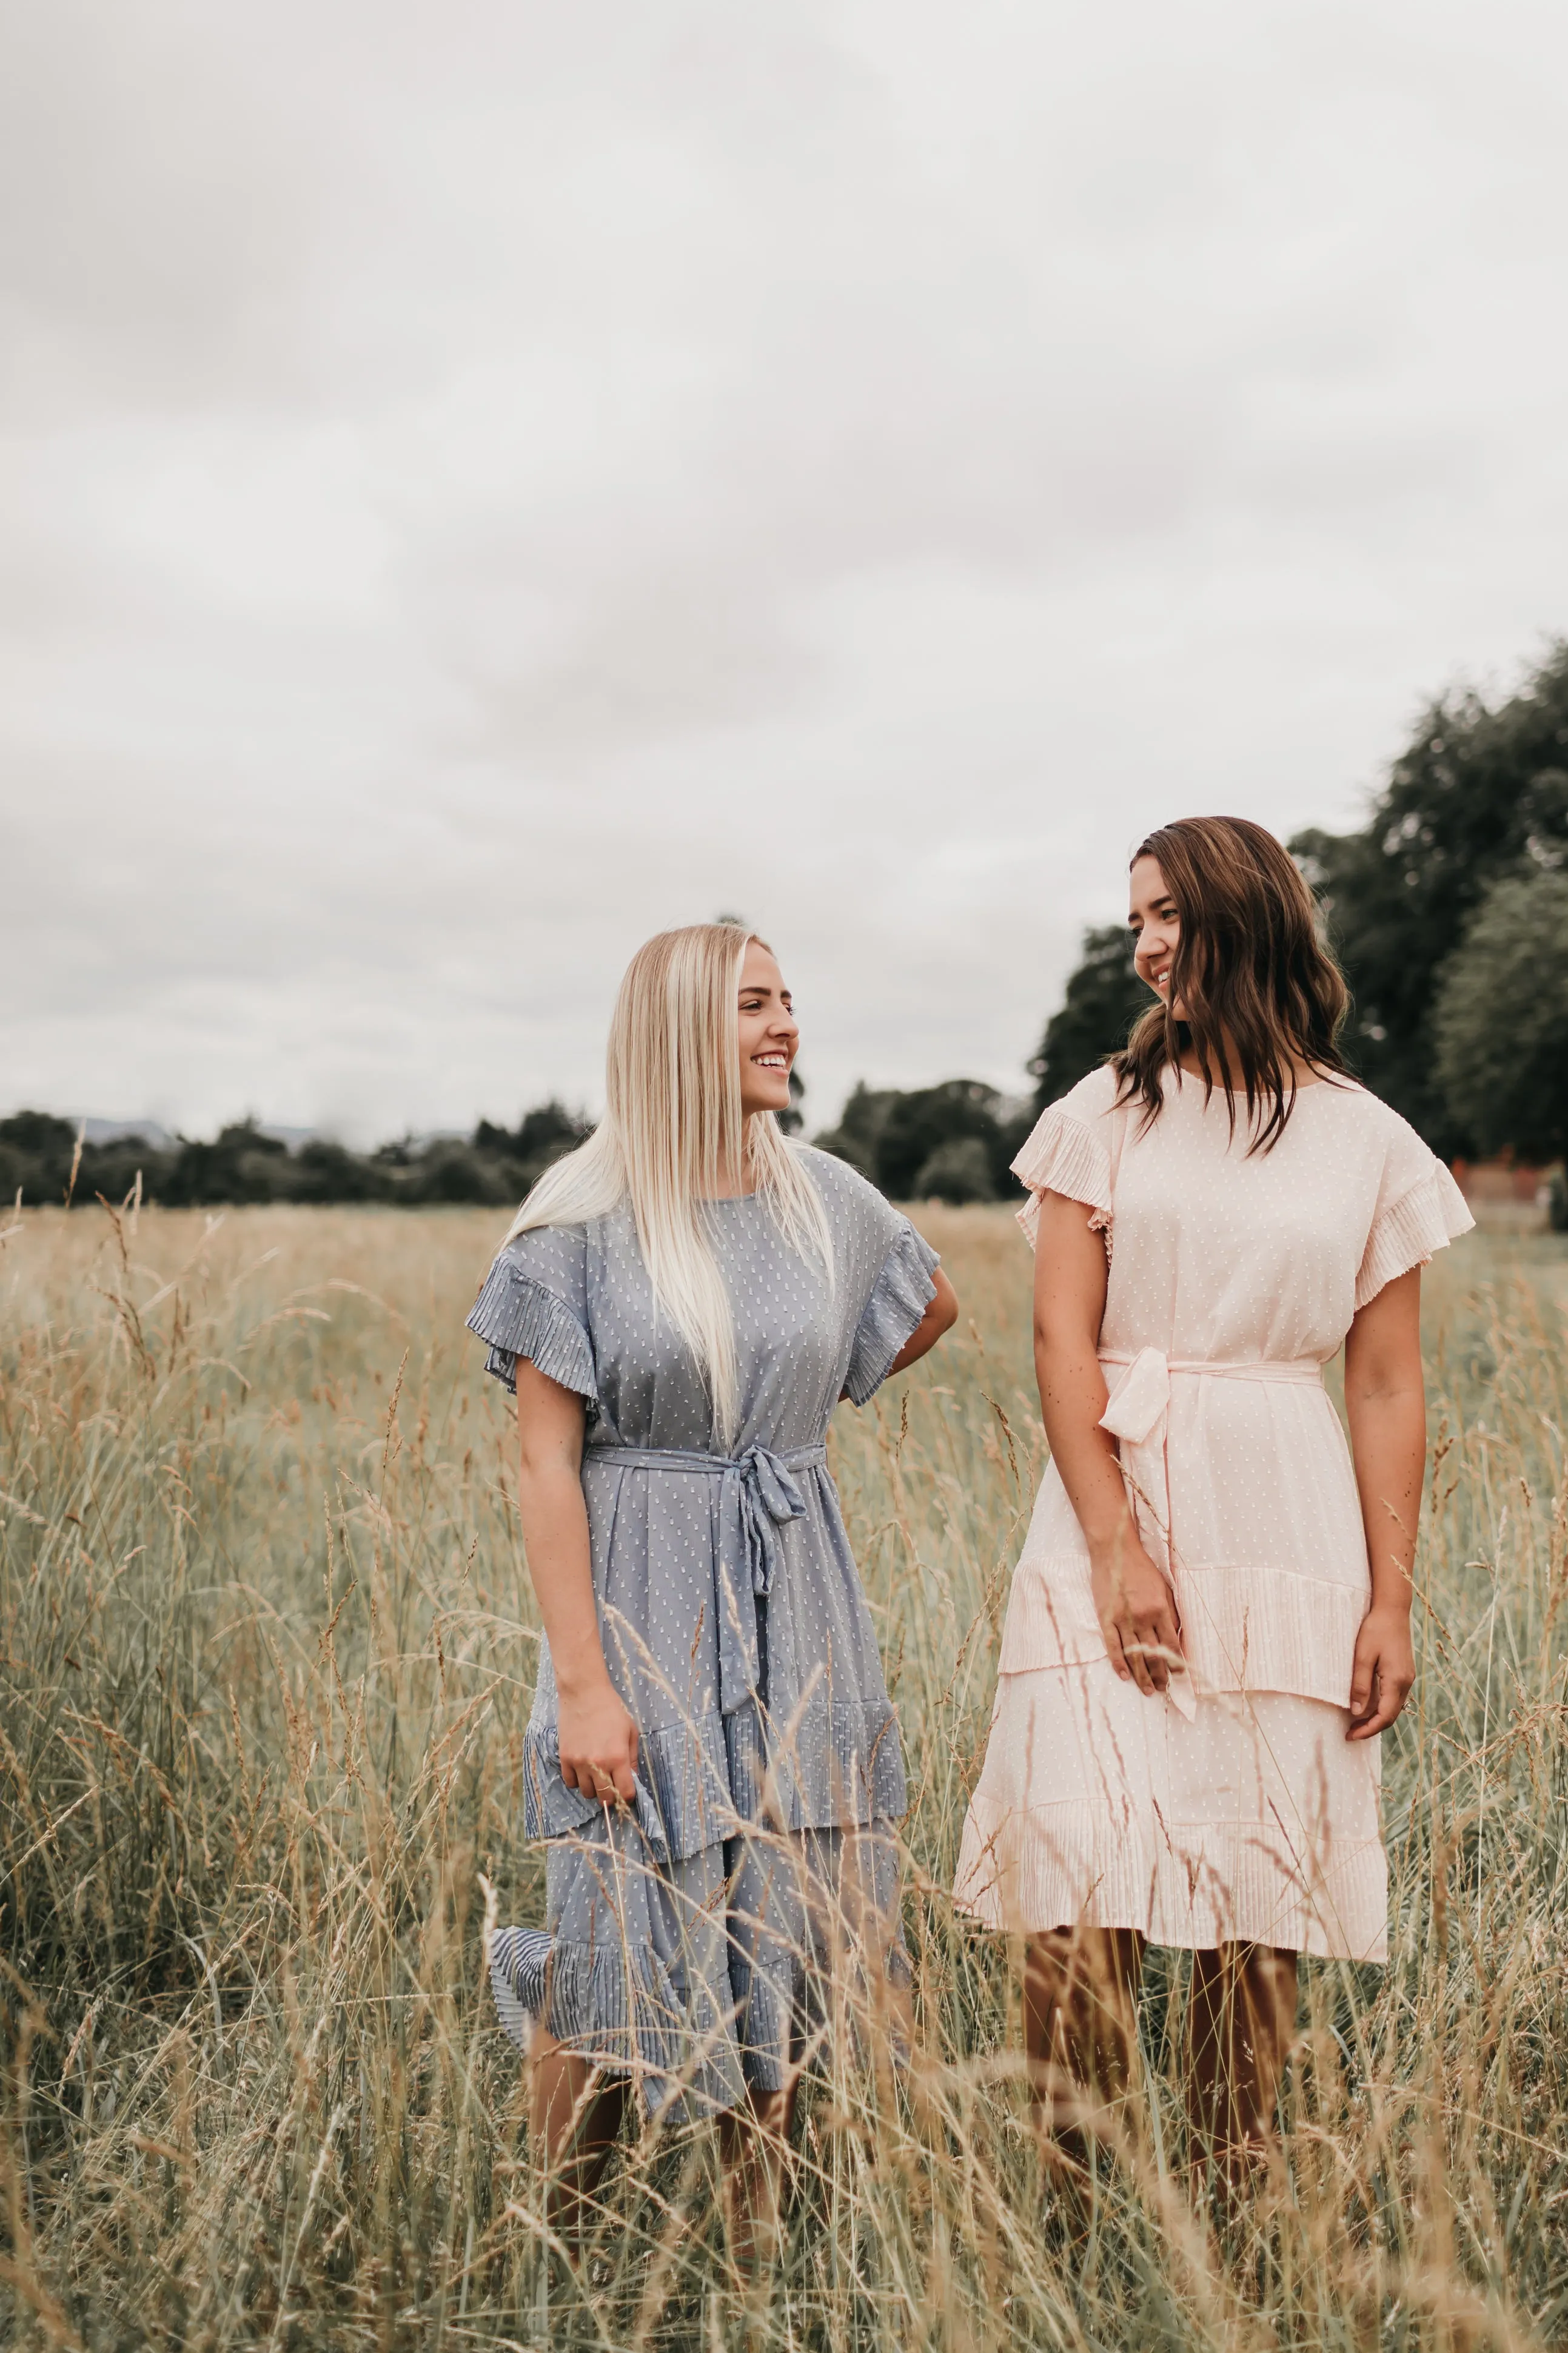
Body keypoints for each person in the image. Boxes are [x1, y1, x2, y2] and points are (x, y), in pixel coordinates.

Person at [953, 817, 1473, 2200]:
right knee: (1077, 1885)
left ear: (1248, 913)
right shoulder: (1104, 1114)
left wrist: (1392, 1597)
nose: (1146, 944)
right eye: (1135, 920)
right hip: (1110, 1505)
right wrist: (1120, 1549)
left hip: (1285, 1510)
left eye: (1167, 912)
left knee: (1258, 1908)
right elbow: (1064, 1347)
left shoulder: (1371, 1142)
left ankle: (1235, 2224)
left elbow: (1384, 1383)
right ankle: (1063, 2226)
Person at [467, 923, 957, 2227]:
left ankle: (761, 2279)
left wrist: (786, 1413)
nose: (787, 1024)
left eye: (791, 999)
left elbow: (932, 1304)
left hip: (797, 1585)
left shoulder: (827, 1198)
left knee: (786, 1921)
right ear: (682, 1030)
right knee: (613, 1937)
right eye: (755, 1003)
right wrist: (582, 1684)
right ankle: (560, 2251)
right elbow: (541, 1468)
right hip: (639, 1598)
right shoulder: (578, 1225)